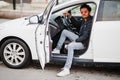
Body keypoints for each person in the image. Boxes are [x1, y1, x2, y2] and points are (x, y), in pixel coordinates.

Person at [52, 4, 93, 77]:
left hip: (84, 43)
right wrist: (70, 17)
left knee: (70, 46)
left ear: (89, 12)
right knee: (64, 31)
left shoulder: (90, 22)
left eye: (85, 12)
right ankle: (57, 49)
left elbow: (85, 36)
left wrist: (75, 41)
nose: (83, 13)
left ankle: (67, 69)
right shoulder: (84, 20)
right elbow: (77, 24)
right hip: (80, 38)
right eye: (82, 12)